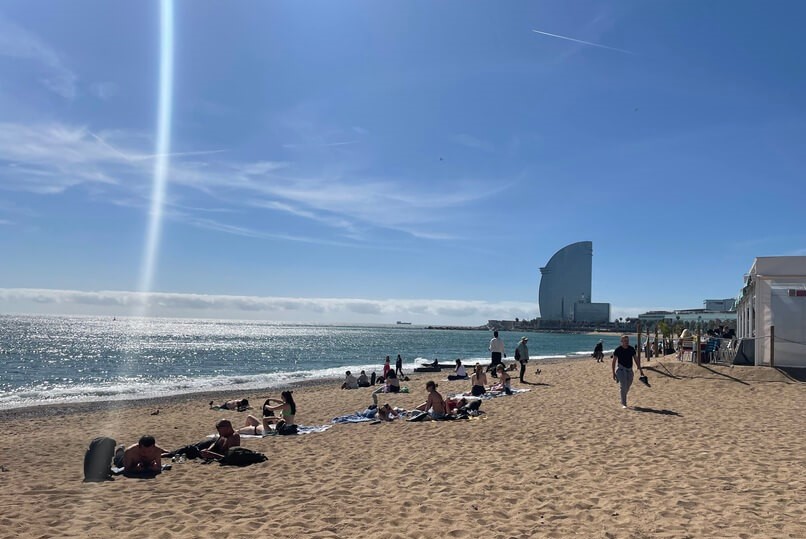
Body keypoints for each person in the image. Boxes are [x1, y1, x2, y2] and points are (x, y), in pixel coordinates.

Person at [611, 335, 643, 409]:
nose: (626, 342)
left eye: (627, 341)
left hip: (629, 370)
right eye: (625, 341)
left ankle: (623, 395)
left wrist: (640, 369)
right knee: (623, 385)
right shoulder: (618, 350)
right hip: (620, 370)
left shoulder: (631, 349)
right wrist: (613, 373)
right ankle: (624, 403)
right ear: (621, 341)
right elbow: (613, 361)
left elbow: (636, 359)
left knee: (628, 385)